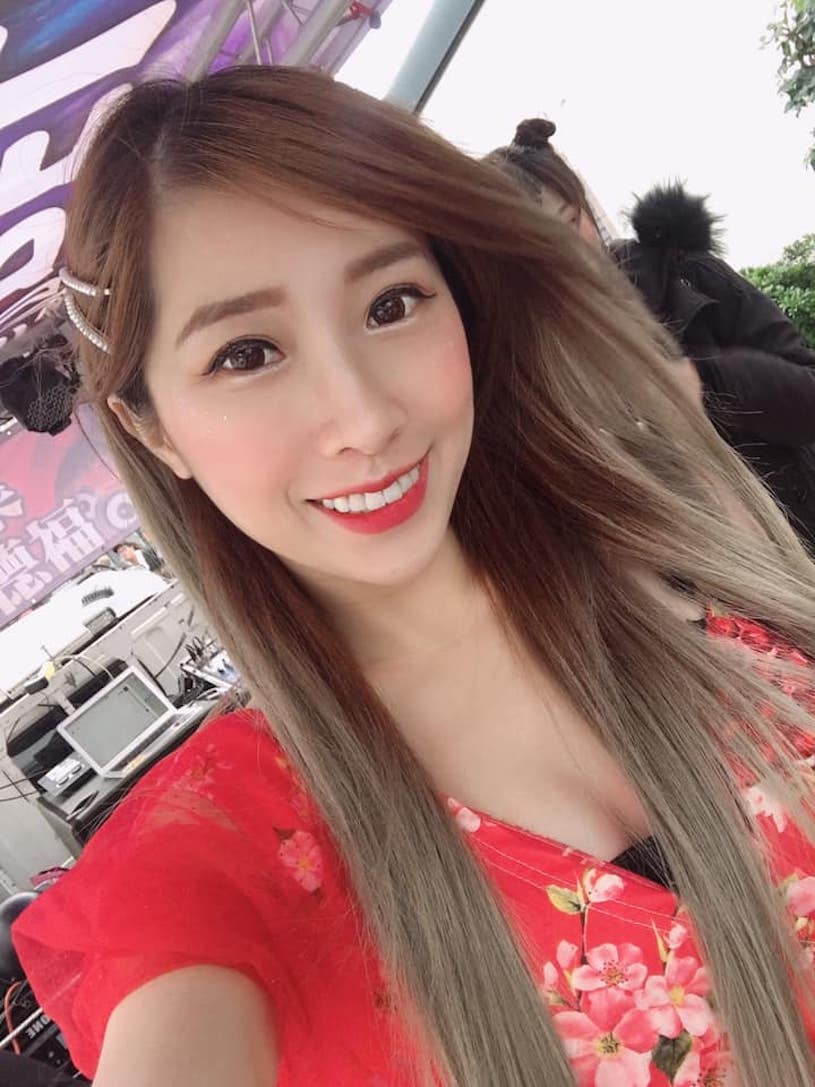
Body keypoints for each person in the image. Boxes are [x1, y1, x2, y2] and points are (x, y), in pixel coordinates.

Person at [9, 67, 815, 1087]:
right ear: (152, 427)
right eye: (246, 353)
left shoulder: (676, 535)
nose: (363, 417)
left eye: (391, 303)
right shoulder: (232, 850)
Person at [487, 121, 815, 550]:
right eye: (539, 241)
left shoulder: (686, 275)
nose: (568, 249)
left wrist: (705, 383)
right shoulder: (532, 373)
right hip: (708, 575)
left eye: (571, 220)